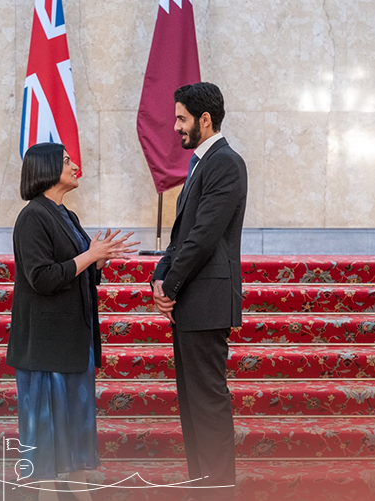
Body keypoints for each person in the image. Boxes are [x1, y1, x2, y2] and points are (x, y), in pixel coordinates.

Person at [7, 142, 138, 501]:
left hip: (73, 339)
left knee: (76, 421)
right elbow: (42, 278)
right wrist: (90, 256)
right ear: (48, 169)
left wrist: (98, 260)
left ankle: (79, 488)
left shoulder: (67, 214)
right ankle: (47, 493)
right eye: (67, 161)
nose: (75, 165)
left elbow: (77, 271)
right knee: (48, 426)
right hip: (45, 344)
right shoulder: (33, 216)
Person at [150, 82, 247, 500]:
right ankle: (202, 485)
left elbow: (204, 236)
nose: (176, 127)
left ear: (204, 119)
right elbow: (181, 236)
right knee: (192, 405)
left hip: (206, 302)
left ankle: (219, 489)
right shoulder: (200, 163)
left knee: (207, 402)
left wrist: (170, 286)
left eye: (181, 118)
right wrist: (159, 276)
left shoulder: (225, 162)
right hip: (191, 302)